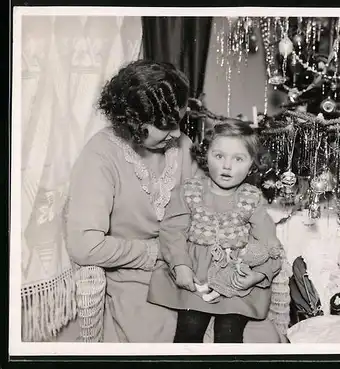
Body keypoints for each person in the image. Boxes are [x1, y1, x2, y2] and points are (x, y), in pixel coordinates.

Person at [66, 60, 282, 343]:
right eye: (167, 124)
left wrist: (240, 264)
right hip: (137, 281)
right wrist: (162, 252)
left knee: (261, 341)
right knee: (175, 343)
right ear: (133, 120)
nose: (178, 133)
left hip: (205, 268)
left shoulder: (181, 146)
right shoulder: (100, 155)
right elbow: (86, 246)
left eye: (179, 121)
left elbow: (213, 209)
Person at [148, 120, 284, 343]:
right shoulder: (190, 191)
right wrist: (180, 265)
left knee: (229, 333)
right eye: (219, 156)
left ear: (252, 164)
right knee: (189, 328)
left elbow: (271, 245)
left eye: (238, 159)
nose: (227, 166)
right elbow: (172, 231)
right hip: (195, 277)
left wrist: (257, 275)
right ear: (205, 155)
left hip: (234, 281)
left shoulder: (251, 199)